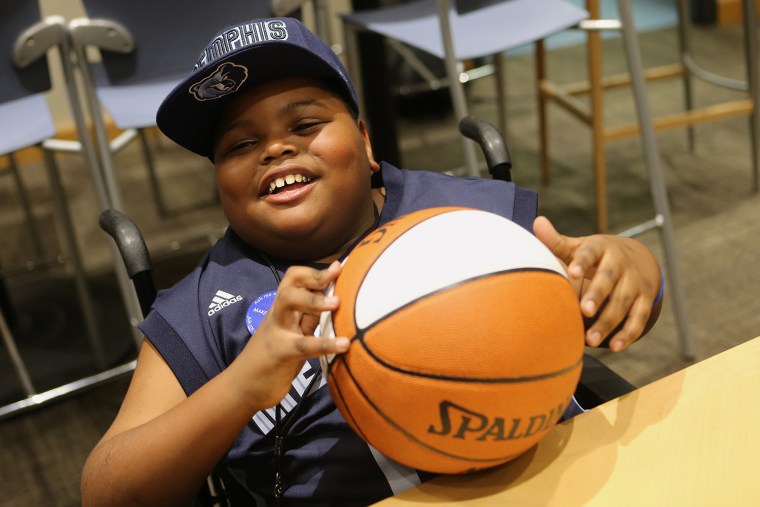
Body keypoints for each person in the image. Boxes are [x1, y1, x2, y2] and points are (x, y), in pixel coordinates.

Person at [81, 16, 663, 507]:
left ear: (364, 141)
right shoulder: (202, 308)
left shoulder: (468, 219)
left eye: (305, 124)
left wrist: (630, 264)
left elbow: (612, 293)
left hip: (557, 480)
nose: (274, 148)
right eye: (238, 145)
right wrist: (240, 386)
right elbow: (106, 489)